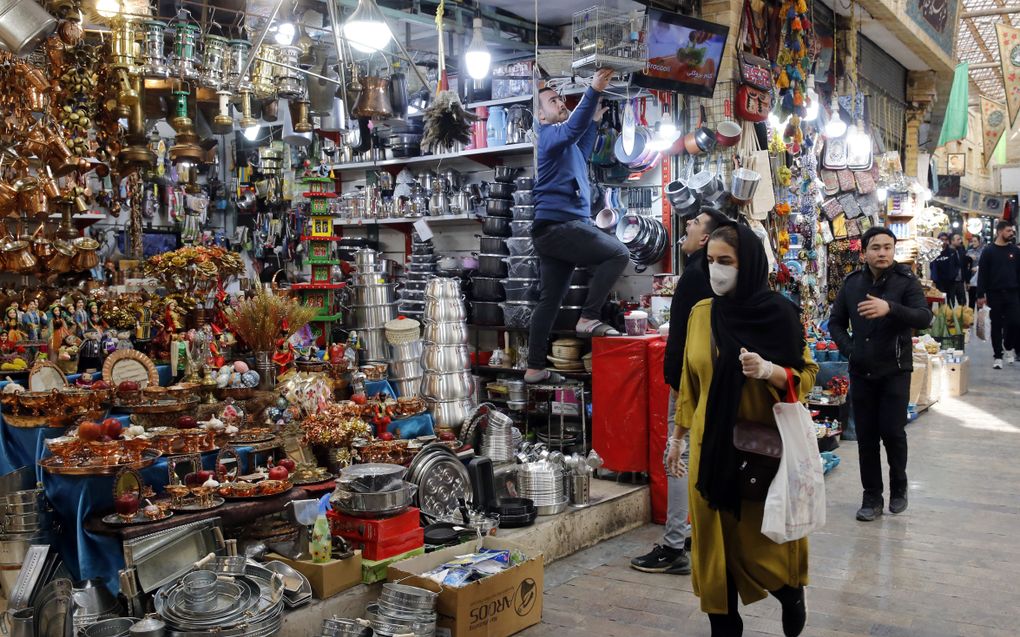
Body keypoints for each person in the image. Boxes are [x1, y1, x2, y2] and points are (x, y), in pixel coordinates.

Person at [667, 224, 817, 637]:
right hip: (709, 449)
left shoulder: (780, 314)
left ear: (747, 263)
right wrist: (677, 437)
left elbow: (805, 376)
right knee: (714, 550)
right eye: (710, 261)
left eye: (726, 262)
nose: (716, 271)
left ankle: (788, 590)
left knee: (760, 542)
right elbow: (689, 381)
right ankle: (724, 623)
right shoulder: (701, 314)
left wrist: (769, 371)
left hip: (760, 449)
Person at [631, 208, 731, 576]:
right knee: (693, 455)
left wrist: (674, 377)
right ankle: (691, 535)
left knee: (676, 456)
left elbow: (685, 339)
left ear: (705, 238)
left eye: (693, 224)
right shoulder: (717, 276)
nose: (686, 226)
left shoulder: (694, 276)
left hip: (692, 381)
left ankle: (675, 544)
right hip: (712, 379)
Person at [526, 68, 630, 384]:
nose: (560, 103)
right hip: (561, 227)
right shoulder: (548, 137)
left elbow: (581, 144)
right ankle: (588, 318)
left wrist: (595, 119)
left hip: (551, 232)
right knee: (618, 254)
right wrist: (594, 89)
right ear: (541, 117)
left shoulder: (565, 145)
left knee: (550, 301)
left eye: (560, 98)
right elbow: (572, 130)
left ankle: (534, 368)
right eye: (553, 101)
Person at [829, 227, 933, 521]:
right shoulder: (852, 284)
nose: (883, 253)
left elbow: (924, 317)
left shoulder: (905, 282)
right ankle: (871, 497)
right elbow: (836, 322)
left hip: (895, 370)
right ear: (864, 252)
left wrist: (890, 308)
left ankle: (899, 487)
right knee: (866, 438)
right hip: (862, 371)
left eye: (888, 247)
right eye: (876, 247)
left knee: (892, 432)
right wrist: (850, 350)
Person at [976, 221, 1020, 368]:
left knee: (1015, 322)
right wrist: (980, 295)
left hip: (1013, 293)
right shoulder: (988, 251)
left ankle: (1008, 347)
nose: (1012, 233)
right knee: (996, 325)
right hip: (994, 293)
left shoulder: (1016, 251)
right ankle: (998, 356)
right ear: (1000, 232)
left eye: (1012, 231)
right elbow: (982, 274)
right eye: (1008, 231)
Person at [931, 232, 966, 306]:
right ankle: (942, 317)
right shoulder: (934, 252)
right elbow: (932, 266)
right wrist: (934, 279)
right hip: (940, 283)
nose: (943, 241)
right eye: (941, 239)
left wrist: (953, 275)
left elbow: (957, 265)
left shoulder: (952, 252)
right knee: (941, 303)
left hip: (951, 282)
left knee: (951, 303)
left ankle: (950, 317)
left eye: (945, 239)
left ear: (947, 240)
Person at [966, 235, 984, 310]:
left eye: (975, 241)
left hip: (981, 280)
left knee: (980, 304)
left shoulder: (984, 251)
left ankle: (980, 322)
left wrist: (978, 268)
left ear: (980, 242)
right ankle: (970, 321)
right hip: (971, 280)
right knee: (971, 302)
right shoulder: (969, 252)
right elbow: (966, 266)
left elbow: (987, 264)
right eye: (972, 241)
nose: (973, 243)